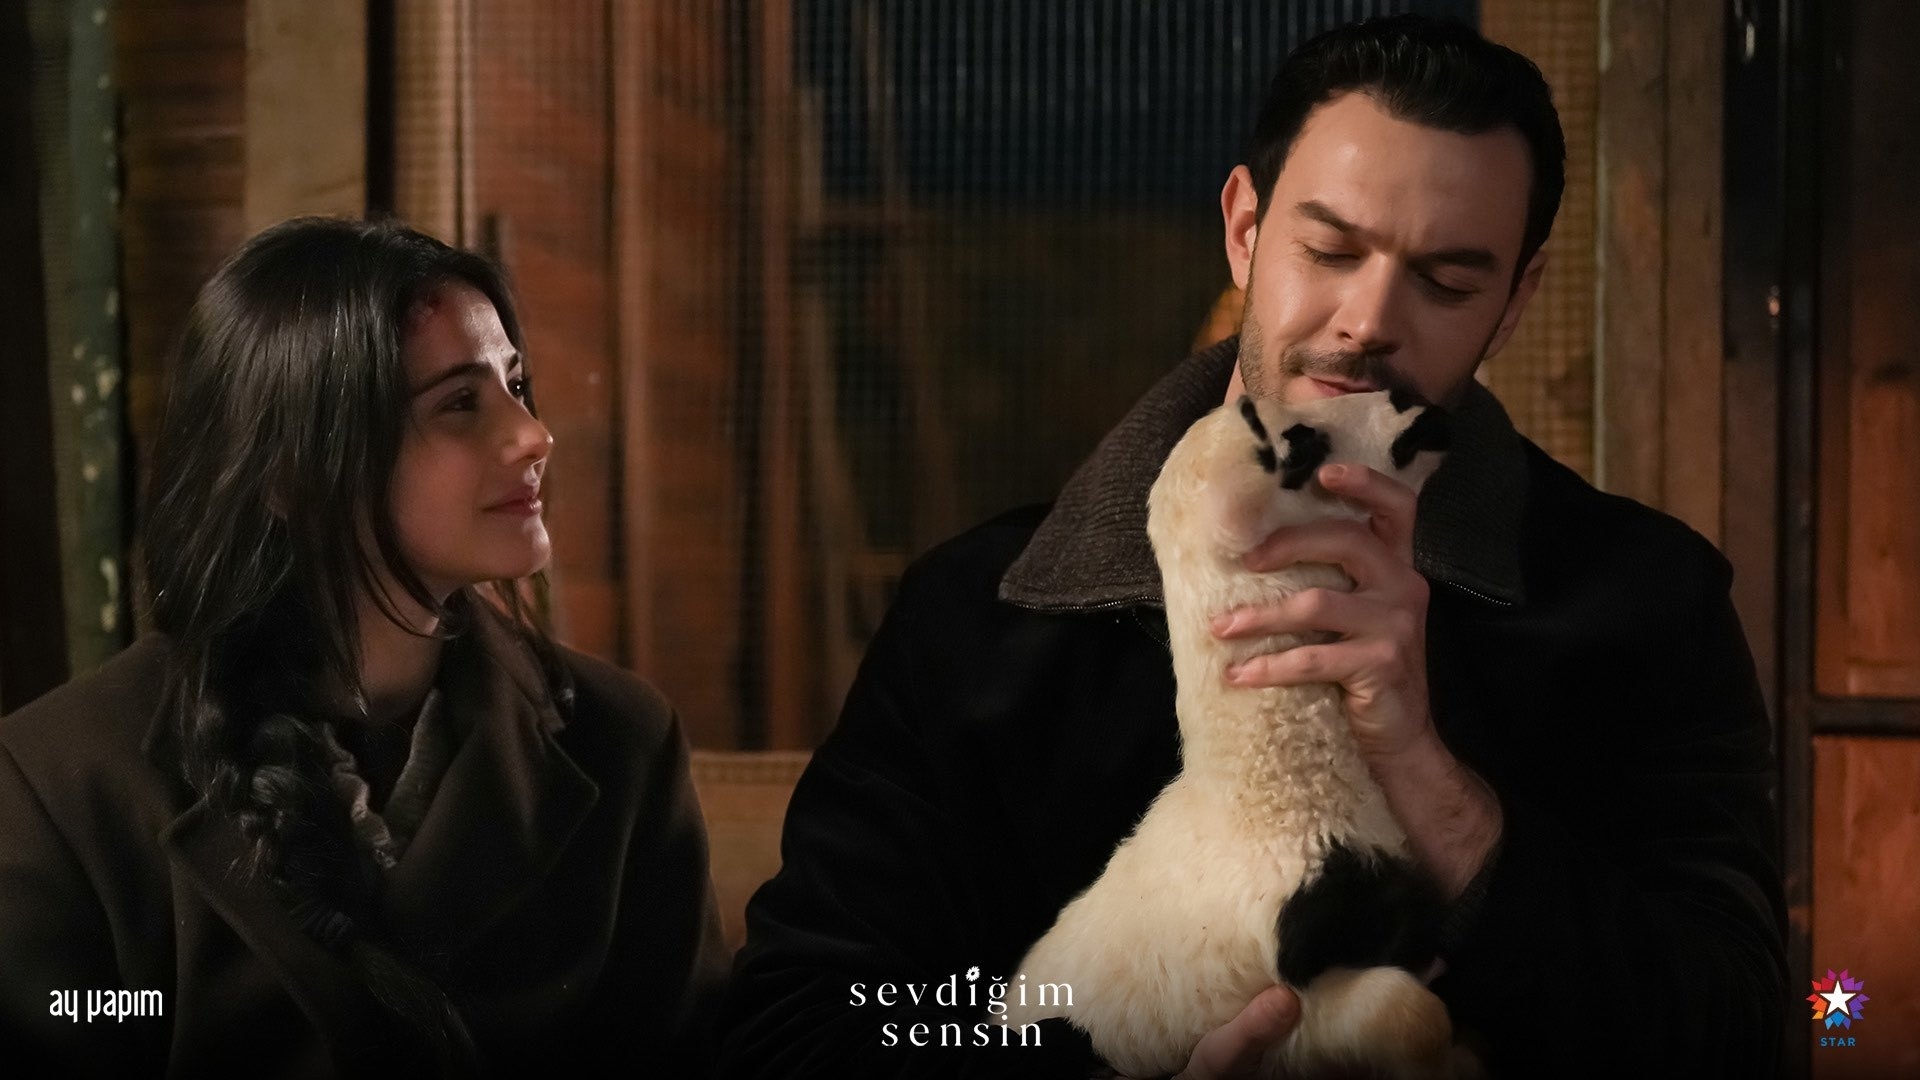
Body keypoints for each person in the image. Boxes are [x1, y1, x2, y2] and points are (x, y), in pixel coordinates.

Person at [717, 14, 1786, 1078]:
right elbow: (804, 1024)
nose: (1369, 319)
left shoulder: (1645, 602)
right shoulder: (981, 618)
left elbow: (1740, 1034)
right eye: (1329, 251)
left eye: (1449, 282)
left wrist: (1432, 786)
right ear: (1243, 229)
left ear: (1514, 304)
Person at [0, 217, 729, 1075]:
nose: (534, 434)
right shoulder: (62, 785)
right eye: (459, 403)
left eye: (515, 384)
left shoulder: (622, 742)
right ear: (292, 473)